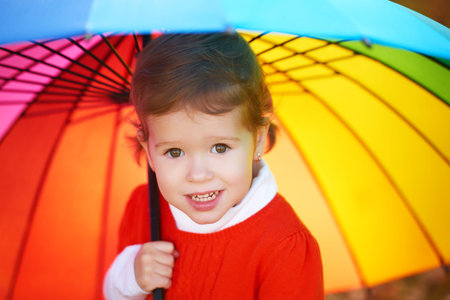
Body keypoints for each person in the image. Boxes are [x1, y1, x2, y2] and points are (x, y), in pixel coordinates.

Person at [103, 32, 323, 299]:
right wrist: (130, 278)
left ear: (258, 139)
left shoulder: (283, 245)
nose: (198, 175)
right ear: (149, 149)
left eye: (220, 148)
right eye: (174, 152)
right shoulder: (144, 209)